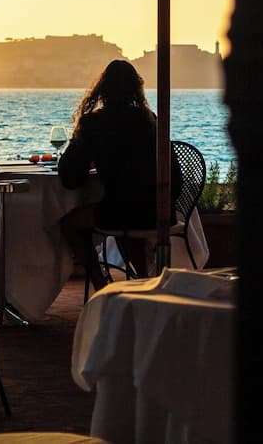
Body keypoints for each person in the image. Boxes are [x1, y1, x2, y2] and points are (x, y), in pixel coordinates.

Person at [58, 60, 181, 291]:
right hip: (160, 212)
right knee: (125, 219)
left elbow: (70, 177)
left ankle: (101, 285)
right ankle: (143, 280)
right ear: (136, 89)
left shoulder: (94, 122)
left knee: (70, 224)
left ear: (102, 89)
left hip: (122, 214)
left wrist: (82, 146)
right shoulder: (150, 120)